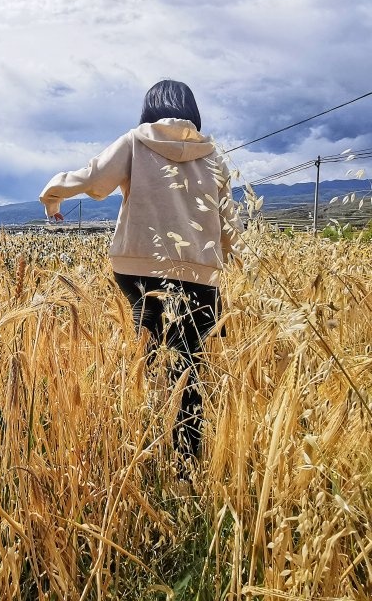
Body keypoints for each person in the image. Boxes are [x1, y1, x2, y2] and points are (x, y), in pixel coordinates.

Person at [39, 79, 242, 460]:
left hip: (138, 268)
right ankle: (186, 458)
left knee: (145, 350)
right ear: (193, 112)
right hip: (199, 273)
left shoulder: (135, 141)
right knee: (188, 362)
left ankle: (141, 439)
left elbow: (94, 178)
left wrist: (52, 194)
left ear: (148, 110)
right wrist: (238, 265)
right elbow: (228, 221)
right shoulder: (213, 157)